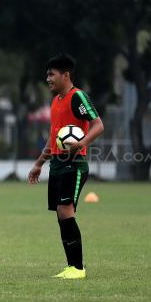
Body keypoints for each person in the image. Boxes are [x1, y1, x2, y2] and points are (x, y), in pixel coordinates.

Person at [28, 53, 104, 279]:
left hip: (75, 163)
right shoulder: (56, 101)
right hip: (58, 164)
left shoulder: (77, 97)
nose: (48, 79)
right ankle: (71, 266)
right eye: (47, 75)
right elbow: (54, 139)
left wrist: (80, 144)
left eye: (52, 74)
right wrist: (39, 164)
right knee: (61, 215)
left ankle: (78, 268)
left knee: (66, 211)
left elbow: (98, 125)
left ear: (66, 75)